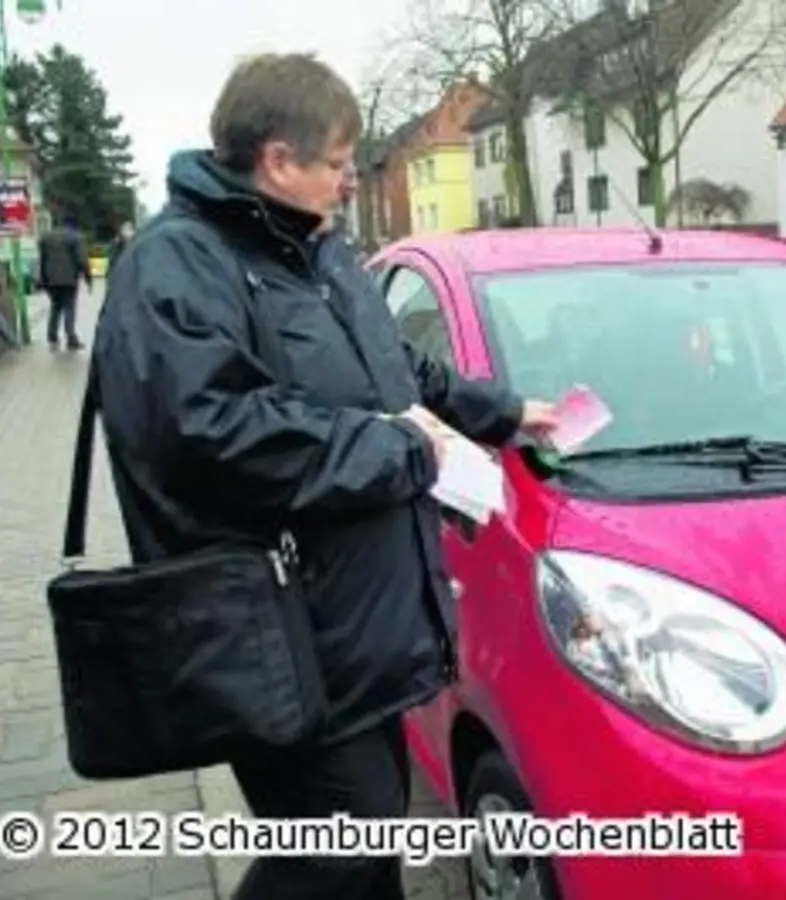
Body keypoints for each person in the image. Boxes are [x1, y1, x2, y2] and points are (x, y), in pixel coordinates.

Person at [90, 53, 559, 899]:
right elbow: (213, 435)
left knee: (367, 839)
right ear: (277, 159)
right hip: (274, 634)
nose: (350, 183)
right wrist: (407, 452)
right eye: (339, 165)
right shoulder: (176, 268)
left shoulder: (316, 249)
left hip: (357, 629)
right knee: (335, 850)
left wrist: (501, 410)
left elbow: (394, 367)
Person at [37, 214, 93, 349]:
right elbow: (82, 260)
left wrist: (42, 279)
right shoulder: (75, 237)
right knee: (69, 307)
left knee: (55, 306)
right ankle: (71, 338)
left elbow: (42, 259)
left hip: (50, 279)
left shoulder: (46, 236)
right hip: (69, 279)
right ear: (74, 225)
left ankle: (52, 336)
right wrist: (88, 278)